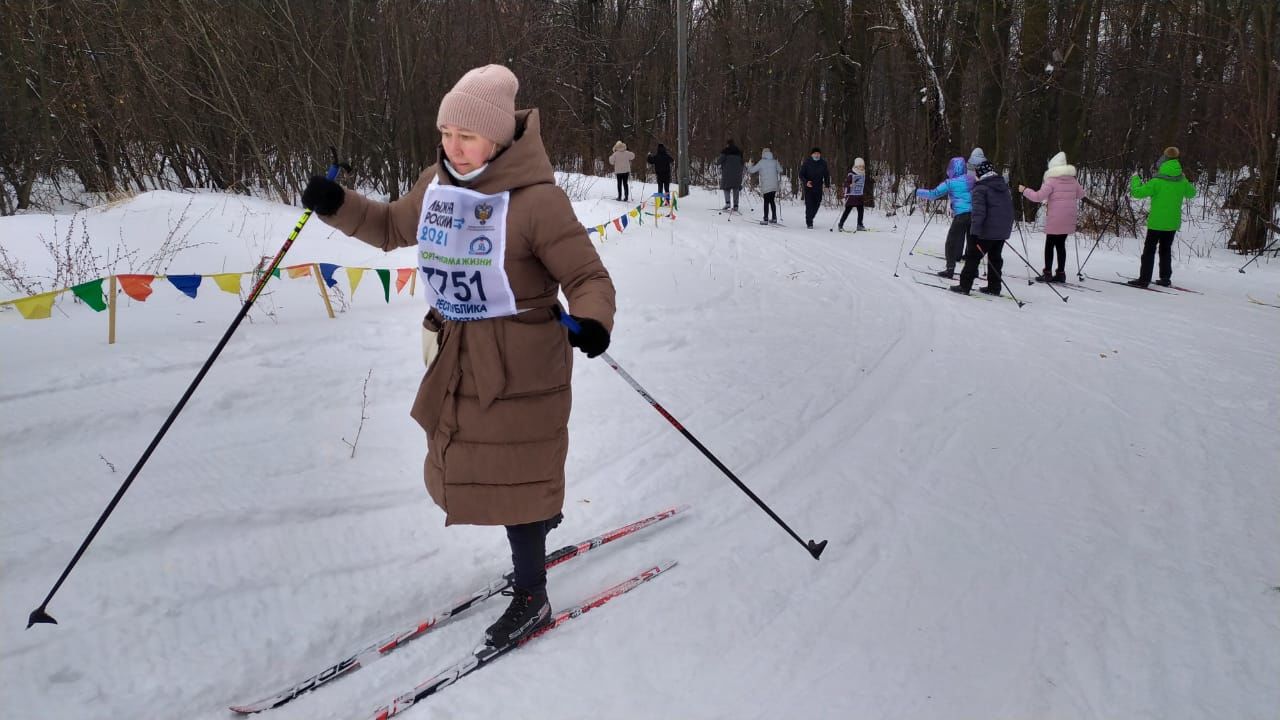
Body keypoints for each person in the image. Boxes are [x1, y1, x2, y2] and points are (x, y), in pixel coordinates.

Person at [300, 64, 616, 648]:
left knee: (517, 474)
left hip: (523, 365)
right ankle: (538, 526)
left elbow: (587, 275)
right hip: (458, 355)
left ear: (496, 138)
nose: (452, 146)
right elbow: (392, 225)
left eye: (465, 136)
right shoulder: (437, 184)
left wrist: (593, 321)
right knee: (478, 465)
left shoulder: (536, 200)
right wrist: (336, 204)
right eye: (446, 133)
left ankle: (532, 594)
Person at [1127, 146, 1196, 287]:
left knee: (1149, 251)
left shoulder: (1157, 181)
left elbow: (1137, 193)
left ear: (1163, 160)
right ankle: (1165, 278)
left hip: (1156, 222)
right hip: (1172, 222)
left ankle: (1144, 279)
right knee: (1165, 250)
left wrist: (1135, 179)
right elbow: (1192, 193)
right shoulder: (1181, 180)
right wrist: (1184, 179)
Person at [1018, 151, 1088, 283]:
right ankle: (1061, 273)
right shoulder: (1073, 180)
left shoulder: (1051, 181)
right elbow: (1081, 194)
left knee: (1049, 244)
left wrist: (1024, 190)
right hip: (1069, 217)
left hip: (1056, 218)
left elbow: (1038, 197)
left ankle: (1047, 273)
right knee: (1061, 245)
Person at [952, 158, 1013, 296]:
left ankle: (964, 285)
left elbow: (978, 213)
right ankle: (994, 287)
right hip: (1001, 231)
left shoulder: (980, 189)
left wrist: (974, 233)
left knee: (973, 257)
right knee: (995, 258)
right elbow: (1008, 210)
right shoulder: (1003, 187)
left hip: (986, 231)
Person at [916, 156, 973, 278]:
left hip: (961, 215)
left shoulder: (950, 183)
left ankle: (950, 269)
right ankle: (972, 271)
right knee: (972, 244)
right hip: (975, 215)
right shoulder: (971, 179)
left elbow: (933, 194)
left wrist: (918, 192)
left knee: (951, 242)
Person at [745, 148, 782, 225]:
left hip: (766, 185)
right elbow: (781, 170)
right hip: (774, 185)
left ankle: (765, 219)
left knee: (766, 201)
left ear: (763, 154)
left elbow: (752, 170)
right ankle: (774, 218)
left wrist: (749, 165)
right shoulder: (775, 162)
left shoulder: (761, 162)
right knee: (772, 201)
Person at [799, 147, 830, 229]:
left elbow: (826, 175)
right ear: (812, 154)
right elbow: (801, 175)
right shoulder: (807, 163)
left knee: (817, 203)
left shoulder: (823, 163)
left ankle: (810, 217)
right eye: (815, 153)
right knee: (809, 205)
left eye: (818, 153)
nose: (817, 155)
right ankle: (809, 222)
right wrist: (806, 182)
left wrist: (827, 186)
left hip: (818, 186)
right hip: (809, 186)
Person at [838, 157, 868, 232]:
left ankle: (859, 225)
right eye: (859, 166)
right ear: (856, 166)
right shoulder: (851, 173)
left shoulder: (863, 173)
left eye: (862, 166)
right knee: (847, 210)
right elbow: (846, 183)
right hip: (851, 196)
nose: (861, 168)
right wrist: (850, 185)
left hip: (859, 196)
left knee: (861, 210)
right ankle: (840, 224)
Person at [716, 139, 744, 211]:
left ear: (728, 144)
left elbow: (719, 161)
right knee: (736, 188)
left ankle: (728, 203)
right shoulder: (739, 152)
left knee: (726, 187)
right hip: (737, 174)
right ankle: (736, 205)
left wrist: (717, 163)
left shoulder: (725, 151)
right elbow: (742, 162)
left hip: (727, 173)